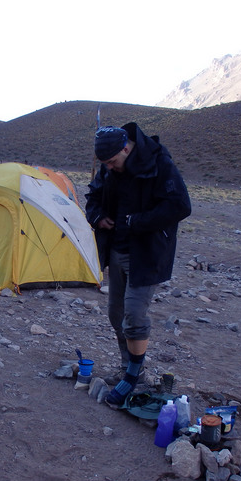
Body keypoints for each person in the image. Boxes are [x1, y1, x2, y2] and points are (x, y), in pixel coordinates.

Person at [85, 123, 191, 409]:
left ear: (126, 148)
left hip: (146, 251)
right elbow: (93, 197)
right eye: (105, 164)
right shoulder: (110, 167)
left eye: (113, 162)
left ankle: (133, 377)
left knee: (133, 314)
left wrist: (136, 222)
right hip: (117, 249)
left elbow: (180, 206)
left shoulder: (159, 164)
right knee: (116, 313)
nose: (109, 167)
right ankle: (128, 366)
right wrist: (98, 217)